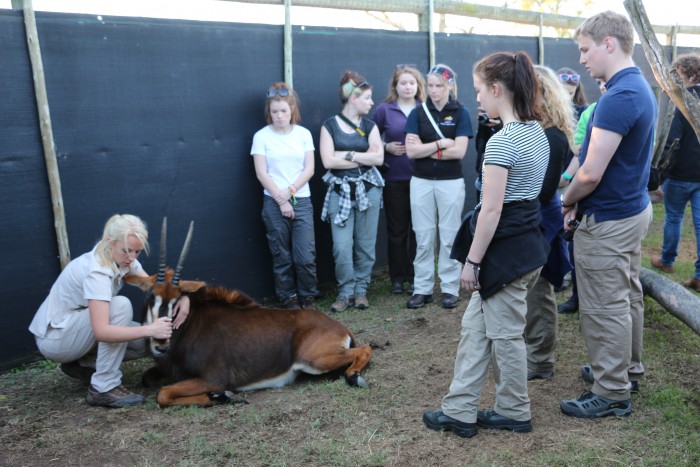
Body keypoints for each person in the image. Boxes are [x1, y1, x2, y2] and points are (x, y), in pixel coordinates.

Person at [423, 51, 550, 438]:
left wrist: (471, 263)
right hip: (526, 245)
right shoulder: (538, 132)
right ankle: (459, 410)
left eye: (479, 90)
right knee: (475, 328)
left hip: (505, 255)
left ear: (497, 89)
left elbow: (492, 210)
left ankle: (514, 409)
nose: (476, 98)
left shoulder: (503, 142)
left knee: (507, 335)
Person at [559, 11, 656, 419]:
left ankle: (612, 390)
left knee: (605, 304)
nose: (582, 59)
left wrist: (566, 200)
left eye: (585, 49)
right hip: (631, 209)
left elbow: (591, 171)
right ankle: (625, 370)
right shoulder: (636, 87)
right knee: (627, 294)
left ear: (609, 43)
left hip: (611, 218)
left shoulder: (621, 95)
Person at [28, 214, 188, 408]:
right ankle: (103, 388)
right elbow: (102, 331)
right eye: (127, 251)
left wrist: (184, 297)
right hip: (57, 338)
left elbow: (155, 288)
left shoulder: (123, 259)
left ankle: (82, 364)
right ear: (110, 242)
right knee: (120, 306)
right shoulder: (97, 272)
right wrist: (151, 329)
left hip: (77, 333)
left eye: (137, 252)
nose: (132, 258)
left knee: (145, 344)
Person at [404, 64, 473, 310]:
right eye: (430, 85)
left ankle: (449, 287)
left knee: (449, 235)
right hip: (421, 181)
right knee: (423, 236)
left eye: (439, 86)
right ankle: (422, 288)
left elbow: (460, 152)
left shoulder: (461, 112)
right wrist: (441, 144)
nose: (433, 90)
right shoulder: (418, 112)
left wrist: (427, 148)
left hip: (450, 182)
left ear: (450, 86)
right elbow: (411, 151)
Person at [525, 65, 575, 380]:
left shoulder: (553, 136)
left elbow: (543, 191)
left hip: (541, 221)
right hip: (530, 219)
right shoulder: (532, 130)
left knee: (538, 292)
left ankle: (541, 360)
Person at [320, 71, 385, 313]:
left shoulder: (370, 126)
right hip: (340, 194)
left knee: (366, 244)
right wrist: (362, 158)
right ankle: (345, 291)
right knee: (341, 247)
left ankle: (361, 291)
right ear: (353, 98)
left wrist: (346, 155)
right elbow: (327, 161)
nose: (371, 103)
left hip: (369, 191)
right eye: (367, 98)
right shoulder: (329, 126)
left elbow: (378, 158)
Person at [251, 82, 319, 310]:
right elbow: (261, 172)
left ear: (292, 110)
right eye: (274, 111)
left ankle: (308, 297)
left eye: (283, 111)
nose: (279, 116)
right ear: (269, 113)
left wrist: (290, 194)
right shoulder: (261, 137)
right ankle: (288, 299)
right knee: (281, 255)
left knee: (305, 255)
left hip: (301, 199)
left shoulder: (303, 134)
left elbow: (309, 169)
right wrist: (280, 200)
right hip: (272, 201)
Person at [372, 65, 426, 295]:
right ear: (395, 86)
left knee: (418, 230)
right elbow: (368, 138)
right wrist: (385, 147)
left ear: (418, 86)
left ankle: (416, 277)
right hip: (394, 178)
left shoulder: (425, 109)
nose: (407, 87)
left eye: (411, 83)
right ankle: (397, 278)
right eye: (403, 83)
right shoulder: (384, 110)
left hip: (421, 178)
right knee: (397, 231)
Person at [650, 52, 700, 291]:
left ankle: (667, 261)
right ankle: (699, 274)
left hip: (680, 175)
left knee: (673, 218)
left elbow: (673, 142)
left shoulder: (682, 100)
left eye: (677, 74)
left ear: (689, 74)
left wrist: (659, 175)